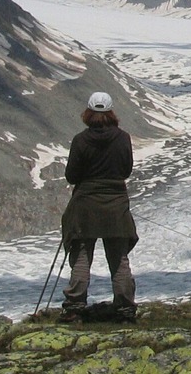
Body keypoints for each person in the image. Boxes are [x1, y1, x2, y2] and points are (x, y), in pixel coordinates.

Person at [59, 91, 138, 323]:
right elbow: (125, 171)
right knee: (119, 259)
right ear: (112, 112)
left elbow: (72, 176)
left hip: (85, 207)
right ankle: (125, 309)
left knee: (82, 257)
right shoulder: (123, 138)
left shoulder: (81, 140)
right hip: (115, 205)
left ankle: (75, 306)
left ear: (89, 112)